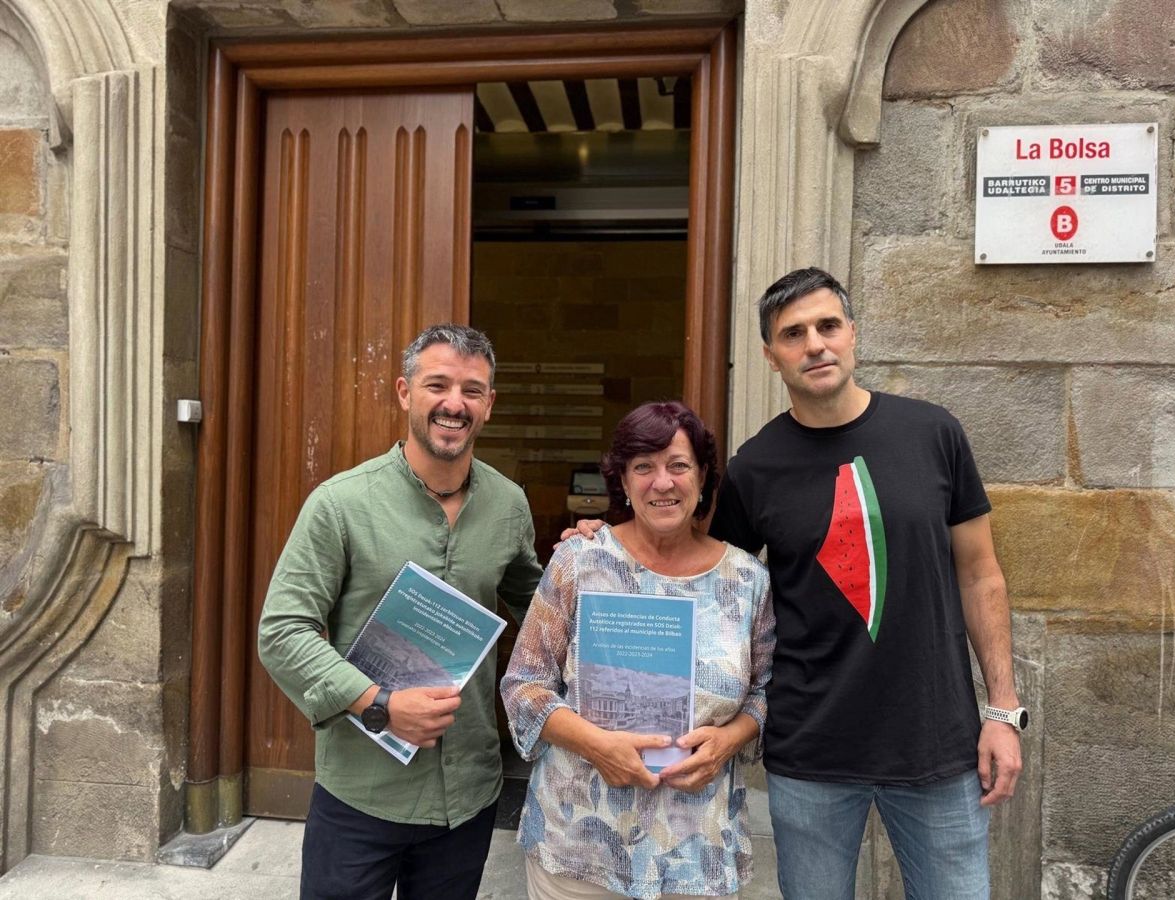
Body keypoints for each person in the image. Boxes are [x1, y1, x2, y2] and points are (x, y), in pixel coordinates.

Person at [571, 268, 1024, 899]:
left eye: (827, 326)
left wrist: (1002, 711)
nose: (814, 344)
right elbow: (694, 568)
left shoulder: (933, 433)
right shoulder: (755, 468)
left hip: (936, 744)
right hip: (811, 753)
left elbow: (980, 575)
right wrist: (608, 537)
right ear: (771, 355)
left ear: (852, 334)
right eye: (793, 334)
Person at [258, 323, 542, 900]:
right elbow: (283, 631)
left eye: (471, 390)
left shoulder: (509, 505)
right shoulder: (340, 504)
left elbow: (541, 608)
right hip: (362, 791)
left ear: (489, 404)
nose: (454, 404)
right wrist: (379, 704)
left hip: (467, 793)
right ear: (404, 392)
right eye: (437, 385)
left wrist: (594, 557)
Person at [501, 401, 775, 900]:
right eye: (644, 467)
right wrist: (597, 745)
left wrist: (730, 739)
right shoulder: (579, 561)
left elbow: (764, 692)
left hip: (695, 847)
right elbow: (524, 685)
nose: (662, 482)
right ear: (623, 482)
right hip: (580, 846)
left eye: (678, 465)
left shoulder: (747, 580)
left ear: (702, 477)